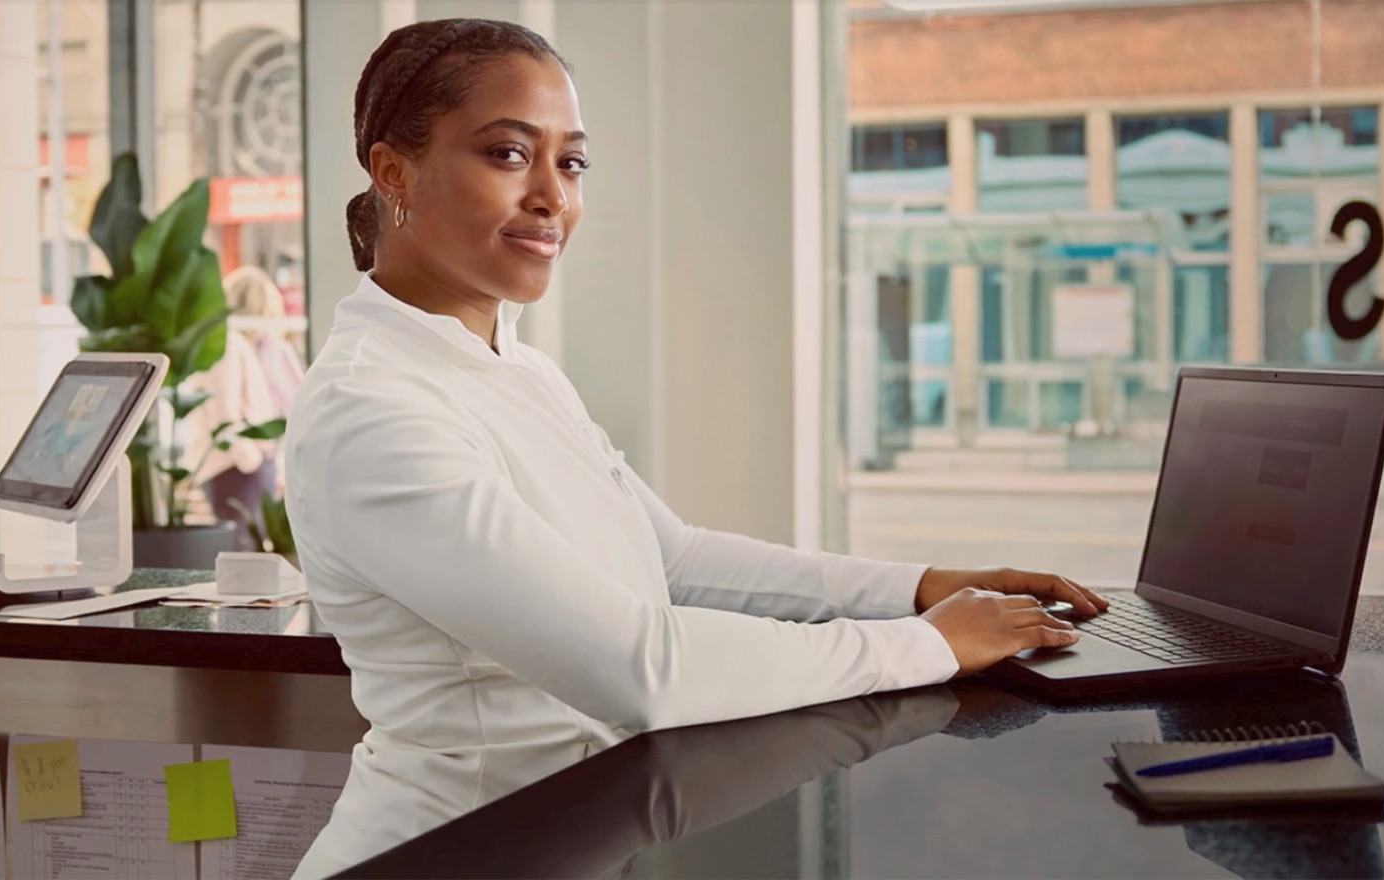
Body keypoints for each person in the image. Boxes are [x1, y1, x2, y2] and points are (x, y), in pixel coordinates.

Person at [282, 19, 1107, 877]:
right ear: (393, 172)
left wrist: (916, 589)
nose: (552, 198)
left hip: (568, 833)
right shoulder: (371, 410)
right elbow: (642, 672)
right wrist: (931, 644)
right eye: (507, 154)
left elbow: (672, 560)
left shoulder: (515, 368)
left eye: (570, 163)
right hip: (449, 848)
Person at [185, 267, 298, 547]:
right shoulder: (229, 344)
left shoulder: (231, 344)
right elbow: (226, 410)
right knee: (243, 546)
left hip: (238, 462)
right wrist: (250, 458)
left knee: (244, 545)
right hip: (238, 466)